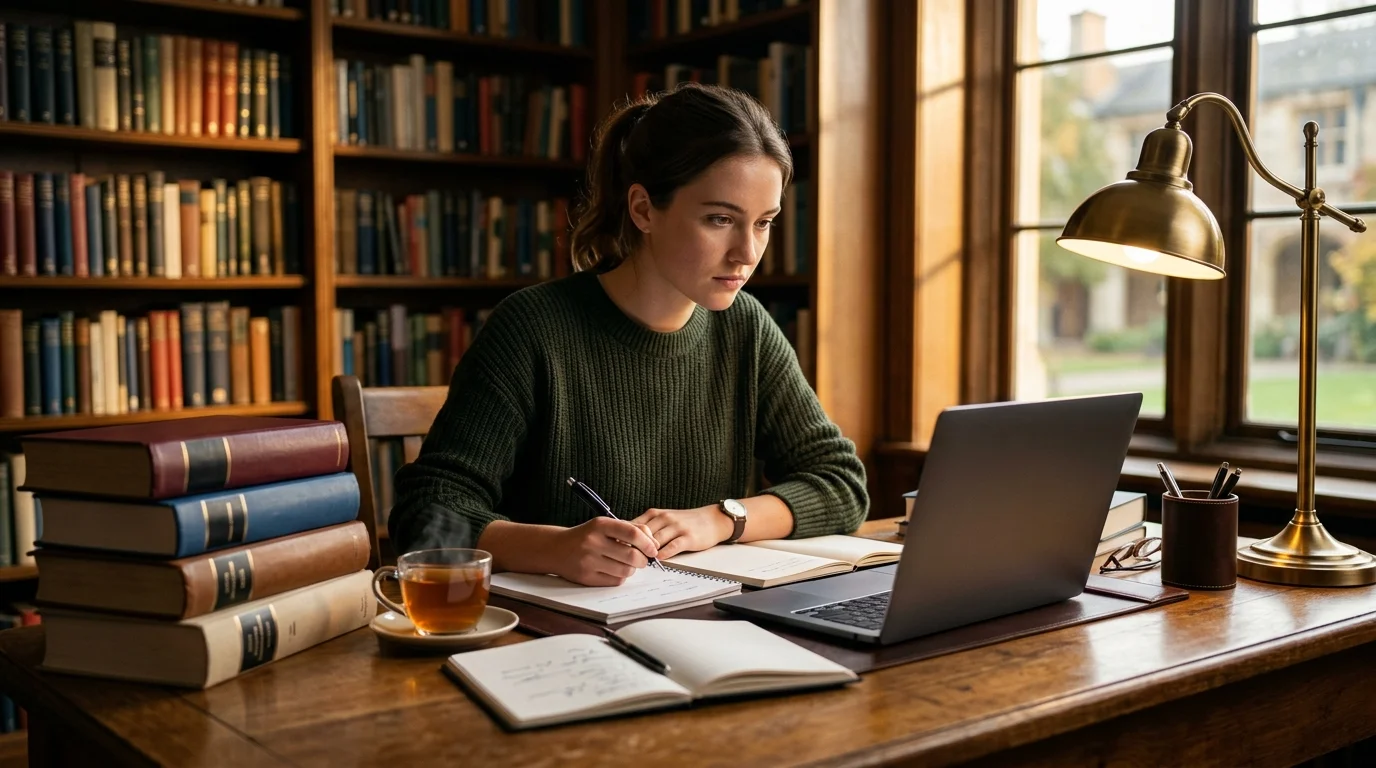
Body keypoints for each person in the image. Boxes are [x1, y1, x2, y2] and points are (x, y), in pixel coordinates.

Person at [388, 82, 868, 586]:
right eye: (720, 219)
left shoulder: (746, 326)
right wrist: (555, 548)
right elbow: (426, 514)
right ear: (643, 209)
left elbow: (841, 483)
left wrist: (720, 519)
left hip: (705, 624)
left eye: (764, 223)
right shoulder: (532, 328)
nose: (747, 252)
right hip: (552, 639)